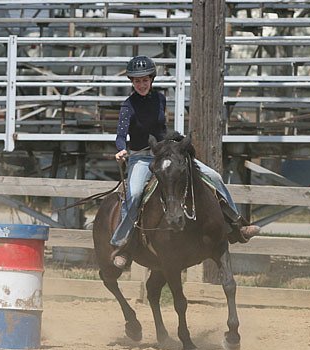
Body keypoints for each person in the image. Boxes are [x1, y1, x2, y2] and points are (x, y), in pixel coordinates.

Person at [110, 55, 260, 269]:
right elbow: (120, 134)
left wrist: (174, 140)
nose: (141, 84)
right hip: (142, 158)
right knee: (133, 194)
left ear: (151, 79)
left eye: (145, 80)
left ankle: (237, 224)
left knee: (214, 177)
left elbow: (160, 129)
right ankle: (121, 244)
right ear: (132, 83)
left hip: (165, 153)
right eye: (137, 81)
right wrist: (121, 148)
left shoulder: (160, 99)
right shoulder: (128, 106)